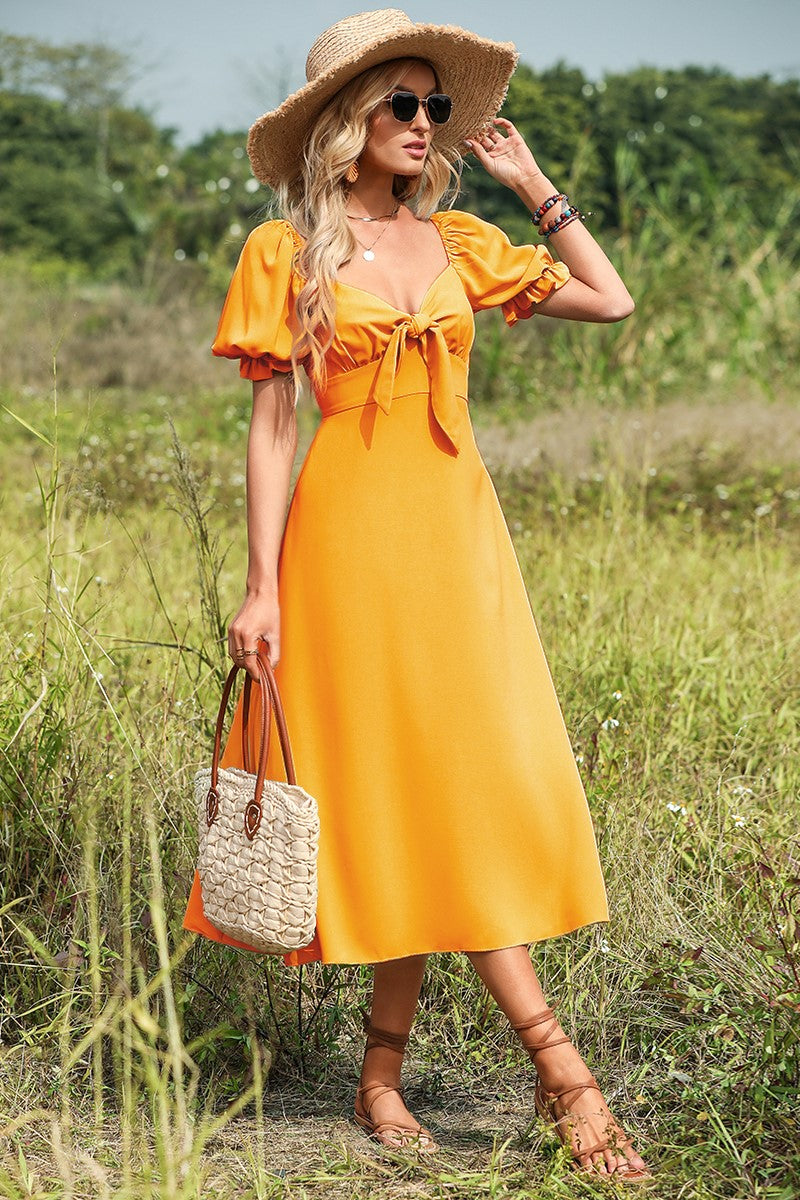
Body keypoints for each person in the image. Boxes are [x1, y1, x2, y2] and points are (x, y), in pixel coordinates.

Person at [182, 8, 651, 1182]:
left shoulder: (459, 239)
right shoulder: (285, 252)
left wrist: (535, 183)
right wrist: (257, 587)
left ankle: (380, 1074)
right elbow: (271, 428)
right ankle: (563, 1076)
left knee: (454, 789)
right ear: (346, 123)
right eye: (402, 103)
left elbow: (610, 301)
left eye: (435, 107)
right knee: (411, 792)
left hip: (456, 545)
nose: (425, 123)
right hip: (345, 549)